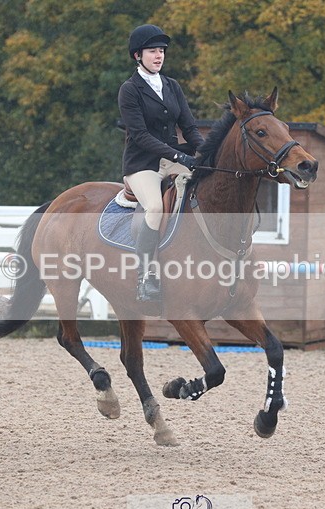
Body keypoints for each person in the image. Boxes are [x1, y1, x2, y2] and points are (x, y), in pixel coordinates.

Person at [119, 24, 204, 303]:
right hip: (142, 163)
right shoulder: (129, 90)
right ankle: (146, 276)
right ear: (138, 55)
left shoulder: (172, 86)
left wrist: (206, 151)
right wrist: (178, 156)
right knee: (155, 207)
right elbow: (140, 136)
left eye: (162, 51)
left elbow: (189, 127)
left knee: (206, 184)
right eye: (152, 51)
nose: (159, 56)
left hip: (172, 158)